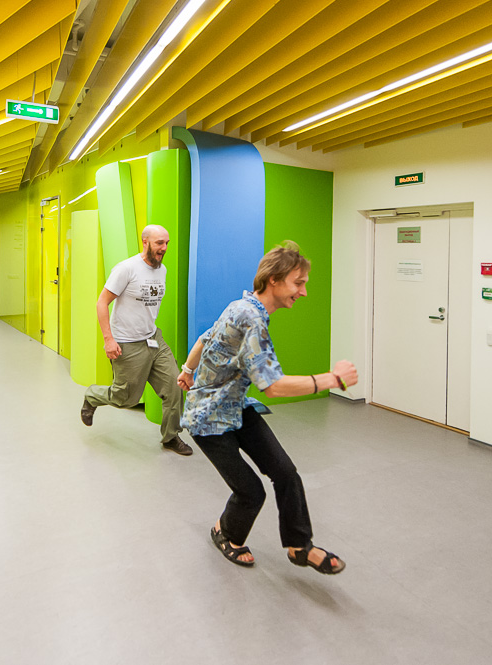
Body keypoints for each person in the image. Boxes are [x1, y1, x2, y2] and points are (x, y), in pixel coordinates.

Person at [176, 241, 358, 574]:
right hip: (208, 418)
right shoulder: (252, 320)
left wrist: (188, 370)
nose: (303, 292)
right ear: (273, 279)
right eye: (298, 283)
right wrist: (332, 379)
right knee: (250, 492)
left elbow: (205, 338)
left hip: (235, 405)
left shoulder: (241, 306)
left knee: (285, 473)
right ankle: (225, 533)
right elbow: (272, 386)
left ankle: (299, 546)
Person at [80, 225, 191, 456]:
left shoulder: (162, 270)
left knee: (175, 386)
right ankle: (92, 396)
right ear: (145, 242)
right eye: (159, 243)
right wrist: (108, 340)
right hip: (127, 343)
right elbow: (102, 303)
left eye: (167, 243)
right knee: (125, 399)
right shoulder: (126, 269)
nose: (164, 248)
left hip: (153, 339)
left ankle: (171, 436)